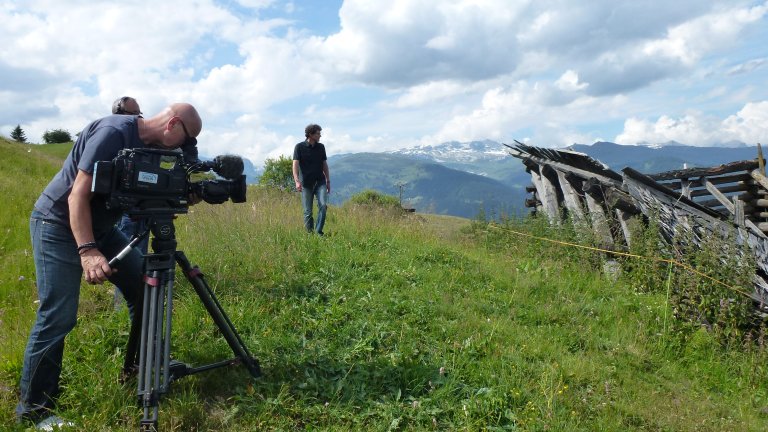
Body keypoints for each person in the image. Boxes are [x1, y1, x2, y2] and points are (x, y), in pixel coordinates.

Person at [16, 102, 202, 428]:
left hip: (102, 228)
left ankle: (144, 363)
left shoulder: (148, 148)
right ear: (173, 124)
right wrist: (88, 252)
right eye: (185, 142)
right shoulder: (114, 133)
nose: (184, 150)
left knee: (145, 285)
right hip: (58, 224)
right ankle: (35, 412)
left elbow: (133, 195)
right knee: (58, 315)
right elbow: (77, 196)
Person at [293, 123, 330, 235]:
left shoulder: (321, 147)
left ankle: (318, 232)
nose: (320, 136)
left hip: (320, 182)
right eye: (318, 133)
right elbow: (295, 165)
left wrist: (328, 181)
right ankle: (310, 235)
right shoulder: (299, 147)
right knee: (308, 212)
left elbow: (324, 165)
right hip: (306, 184)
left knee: (323, 206)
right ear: (310, 134)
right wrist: (296, 181)